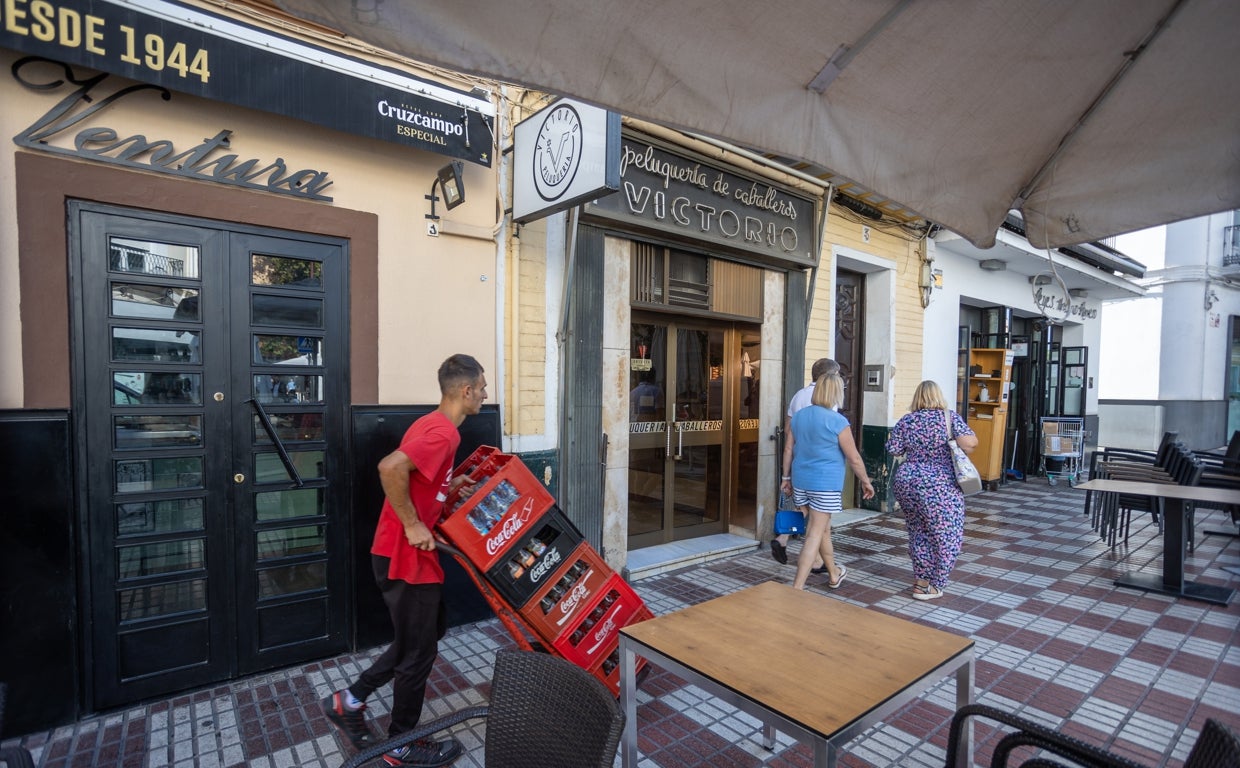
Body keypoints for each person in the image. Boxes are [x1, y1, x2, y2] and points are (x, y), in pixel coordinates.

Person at [322, 354, 487, 767]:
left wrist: (450, 485)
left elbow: (417, 479)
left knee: (424, 637)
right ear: (466, 390)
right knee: (418, 653)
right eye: (483, 388)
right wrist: (413, 525)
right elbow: (390, 467)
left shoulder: (433, 423)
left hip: (406, 555)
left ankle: (350, 700)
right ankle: (400, 744)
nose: (485, 395)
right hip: (404, 557)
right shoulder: (444, 433)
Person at [884, 380, 978, 601]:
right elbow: (970, 444)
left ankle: (921, 583)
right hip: (940, 484)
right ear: (938, 396)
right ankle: (936, 585)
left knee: (918, 532)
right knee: (947, 534)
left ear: (917, 397)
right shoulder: (949, 418)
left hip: (908, 480)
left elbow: (894, 449)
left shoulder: (907, 420)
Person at [780, 372, 874, 590]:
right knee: (814, 534)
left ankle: (833, 573)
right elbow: (853, 457)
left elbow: (788, 449)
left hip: (801, 480)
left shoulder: (799, 416)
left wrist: (786, 477)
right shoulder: (838, 421)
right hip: (825, 483)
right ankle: (797, 588)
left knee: (821, 530)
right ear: (835, 393)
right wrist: (865, 481)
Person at [771, 357, 839, 566]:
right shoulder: (827, 398)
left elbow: (788, 431)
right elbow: (831, 433)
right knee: (821, 517)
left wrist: (786, 475)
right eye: (837, 375)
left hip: (799, 459)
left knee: (806, 507)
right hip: (821, 464)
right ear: (829, 376)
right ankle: (818, 563)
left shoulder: (798, 395)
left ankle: (785, 539)